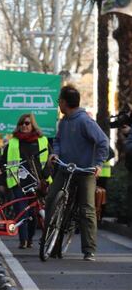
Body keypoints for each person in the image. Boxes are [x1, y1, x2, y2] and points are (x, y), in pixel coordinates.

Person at [46, 85, 109, 262]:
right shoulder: (63, 121)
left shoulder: (85, 121)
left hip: (85, 171)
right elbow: (57, 141)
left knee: (87, 209)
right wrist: (55, 153)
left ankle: (89, 250)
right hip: (65, 168)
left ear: (65, 102)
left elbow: (103, 142)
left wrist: (98, 165)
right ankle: (51, 242)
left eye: (59, 101)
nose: (58, 104)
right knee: (51, 199)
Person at [2, 113, 52, 249]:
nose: (24, 125)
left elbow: (49, 162)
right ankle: (23, 240)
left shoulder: (42, 141)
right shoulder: (12, 142)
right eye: (21, 123)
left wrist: (45, 178)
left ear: (33, 125)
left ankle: (29, 239)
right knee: (22, 211)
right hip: (18, 182)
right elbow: (3, 162)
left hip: (37, 182)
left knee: (33, 213)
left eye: (27, 123)